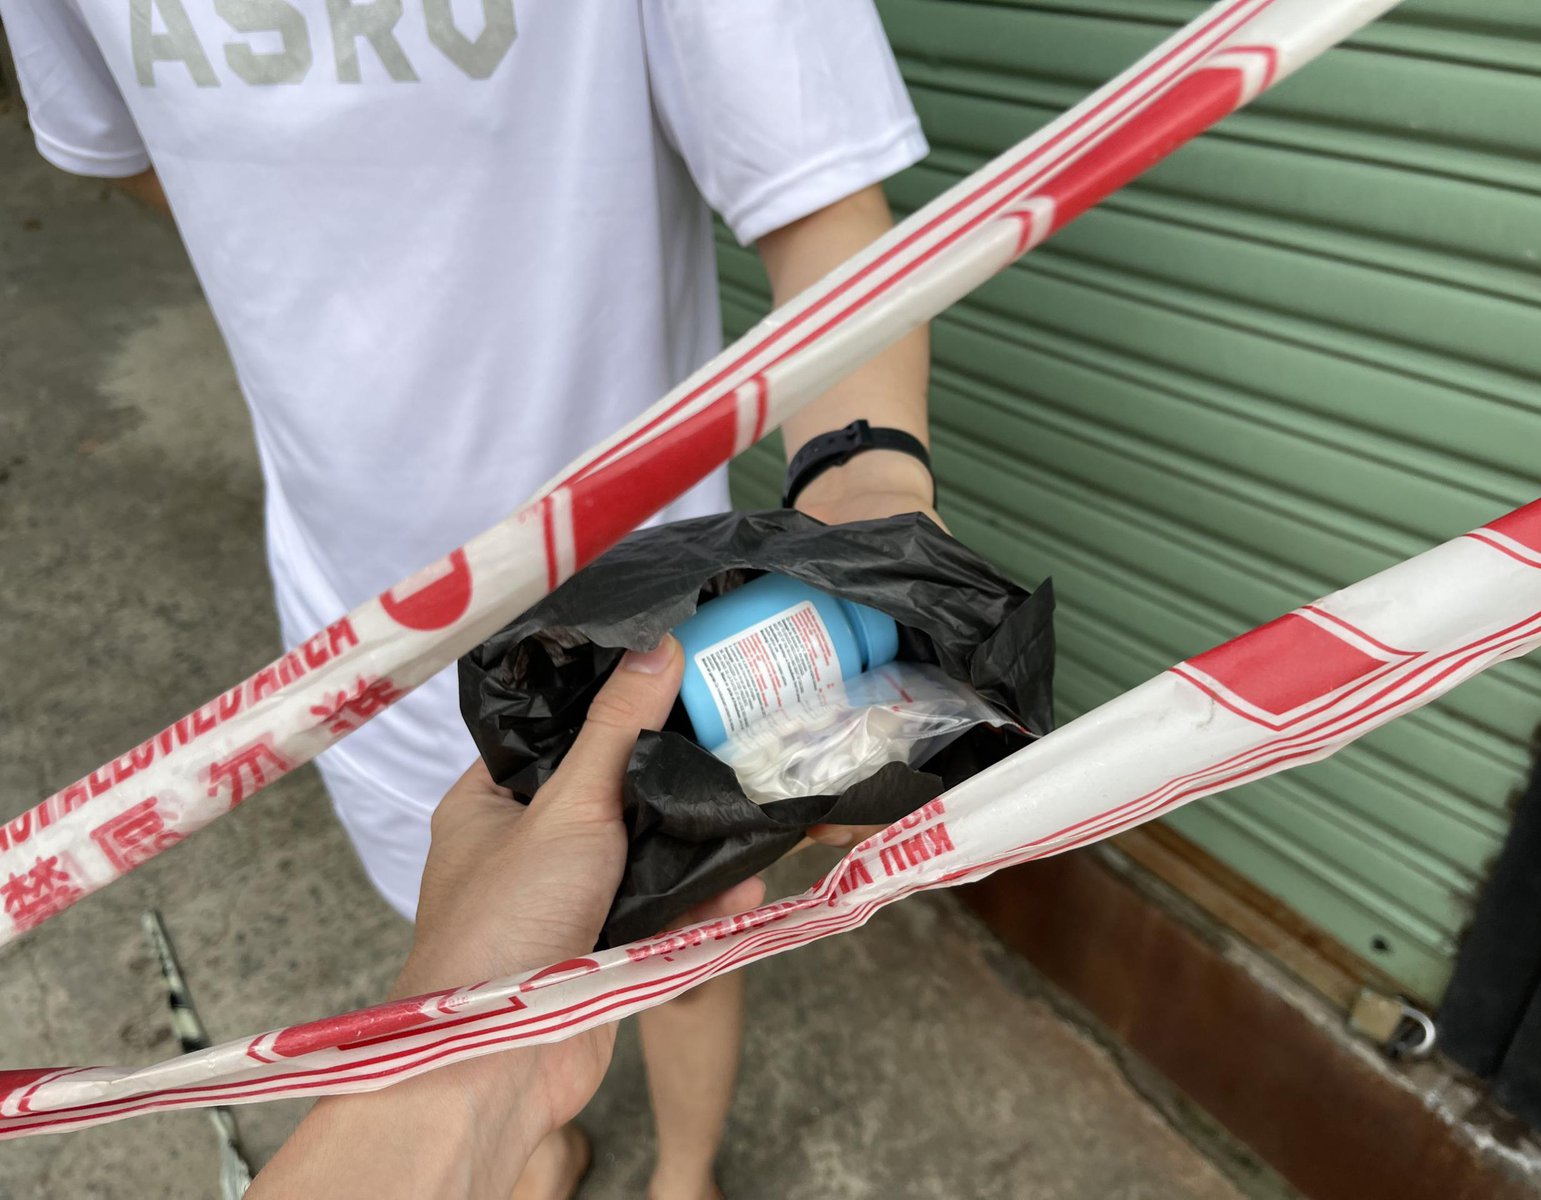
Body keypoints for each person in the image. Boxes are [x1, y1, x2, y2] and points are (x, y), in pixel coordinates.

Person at [1, 3, 939, 1195]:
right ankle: (529, 1146)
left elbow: (816, 186)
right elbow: (132, 150)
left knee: (688, 951)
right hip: (355, 620)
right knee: (458, 962)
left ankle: (685, 1175)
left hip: (655, 614)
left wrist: (862, 479)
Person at [251, 636, 770, 1198]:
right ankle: (528, 1145)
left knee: (682, 962)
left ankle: (682, 1178)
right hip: (387, 702)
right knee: (457, 933)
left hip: (632, 638)